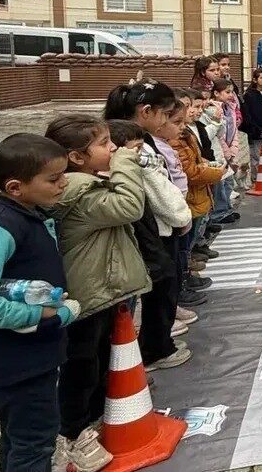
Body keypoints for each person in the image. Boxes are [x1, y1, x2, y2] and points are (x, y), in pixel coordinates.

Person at [0, 135, 82, 472]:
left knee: (21, 440)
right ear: (15, 187)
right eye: (54, 179)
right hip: (14, 367)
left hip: (29, 361)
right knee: (34, 444)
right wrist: (39, 316)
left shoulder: (28, 214)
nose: (63, 184)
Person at [44, 114, 153, 468]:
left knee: (99, 358)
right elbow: (129, 206)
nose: (113, 149)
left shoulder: (84, 182)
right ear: (76, 157)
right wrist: (124, 163)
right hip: (88, 295)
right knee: (82, 365)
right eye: (105, 145)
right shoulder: (79, 192)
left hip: (103, 290)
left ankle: (94, 417)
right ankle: (72, 433)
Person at [103, 81, 187, 366]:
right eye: (165, 115)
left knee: (158, 287)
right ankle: (153, 349)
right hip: (153, 230)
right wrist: (181, 216)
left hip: (156, 226)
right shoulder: (136, 147)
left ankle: (149, 346)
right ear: (146, 111)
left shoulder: (135, 139)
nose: (166, 122)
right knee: (156, 288)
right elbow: (157, 188)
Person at [170, 90, 225, 324]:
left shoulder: (186, 134)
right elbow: (189, 171)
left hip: (197, 197)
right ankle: (183, 282)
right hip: (188, 199)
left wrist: (208, 165)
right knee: (182, 245)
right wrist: (215, 172)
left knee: (189, 240)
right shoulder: (175, 140)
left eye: (193, 107)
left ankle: (187, 273)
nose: (191, 113)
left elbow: (196, 159)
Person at [208, 79, 241, 225]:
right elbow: (219, 134)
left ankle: (227, 208)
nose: (230, 95)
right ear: (216, 93)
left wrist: (234, 148)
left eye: (232, 92)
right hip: (218, 150)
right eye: (227, 92)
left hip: (229, 148)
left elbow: (233, 130)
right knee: (220, 182)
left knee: (228, 181)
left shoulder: (230, 107)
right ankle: (219, 213)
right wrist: (227, 152)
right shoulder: (212, 109)